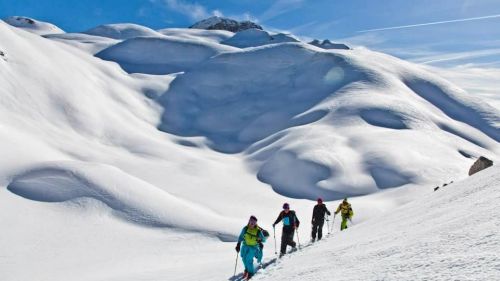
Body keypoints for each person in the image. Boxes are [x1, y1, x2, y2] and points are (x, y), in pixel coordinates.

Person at [235, 216, 267, 280]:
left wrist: (260, 240)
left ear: (255, 223)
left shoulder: (258, 231)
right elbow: (241, 236)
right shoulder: (245, 228)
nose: (252, 223)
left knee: (248, 259)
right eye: (251, 221)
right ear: (249, 221)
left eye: (254, 222)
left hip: (253, 247)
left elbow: (264, 239)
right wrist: (238, 244)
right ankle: (246, 269)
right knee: (244, 259)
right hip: (245, 246)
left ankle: (251, 273)